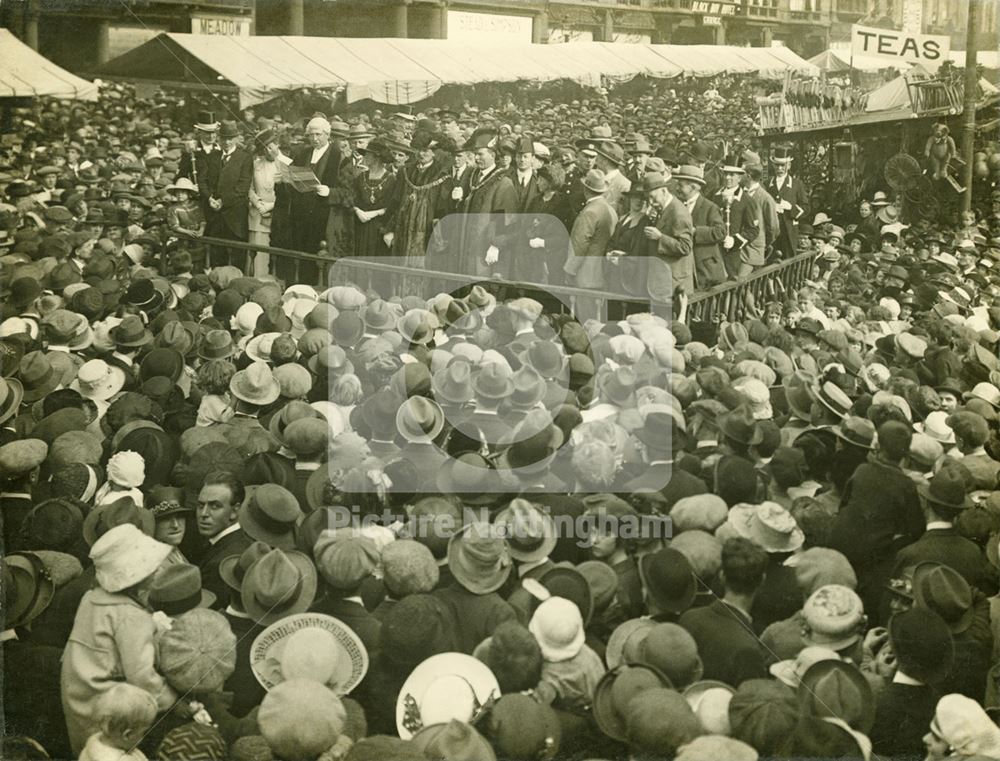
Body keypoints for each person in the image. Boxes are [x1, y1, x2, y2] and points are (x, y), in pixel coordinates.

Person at [60, 525, 175, 754]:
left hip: (78, 695)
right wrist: (173, 700)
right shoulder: (133, 616)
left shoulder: (91, 598)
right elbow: (142, 678)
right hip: (111, 709)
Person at [674, 163, 727, 289]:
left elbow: (720, 232)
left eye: (680, 185)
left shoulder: (710, 207)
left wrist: (695, 231)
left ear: (692, 187)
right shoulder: (676, 206)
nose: (676, 188)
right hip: (683, 268)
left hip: (705, 269)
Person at [247, 128, 285, 276]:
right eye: (265, 148)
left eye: (271, 147)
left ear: (277, 145)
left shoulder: (286, 164)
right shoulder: (256, 164)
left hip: (276, 213)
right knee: (256, 250)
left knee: (273, 251)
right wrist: (258, 203)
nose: (268, 151)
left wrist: (271, 205)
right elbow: (249, 188)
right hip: (257, 213)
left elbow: (288, 194)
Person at [764, 144, 809, 260]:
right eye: (777, 165)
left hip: (789, 232)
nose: (779, 169)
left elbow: (806, 208)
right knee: (770, 260)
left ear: (788, 165)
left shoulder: (796, 184)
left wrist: (791, 208)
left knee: (788, 260)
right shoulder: (767, 184)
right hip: (771, 231)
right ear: (773, 165)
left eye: (782, 165)